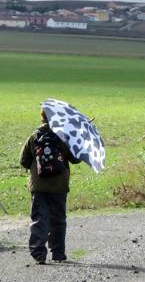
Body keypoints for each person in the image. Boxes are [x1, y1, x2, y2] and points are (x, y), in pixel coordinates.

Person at [19, 110, 81, 264]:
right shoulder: (64, 137)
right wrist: (78, 141)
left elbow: (23, 160)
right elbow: (75, 159)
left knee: (39, 218)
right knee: (58, 220)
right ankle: (58, 253)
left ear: (42, 118)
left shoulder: (34, 136)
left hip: (38, 186)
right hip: (59, 186)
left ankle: (38, 252)